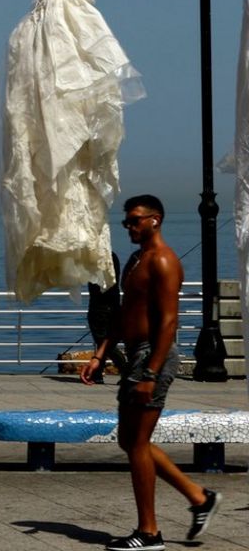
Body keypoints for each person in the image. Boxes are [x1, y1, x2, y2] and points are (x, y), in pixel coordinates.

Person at [81, 195, 222, 551]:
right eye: (126, 221)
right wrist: (101, 353)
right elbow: (124, 312)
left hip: (152, 356)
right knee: (131, 442)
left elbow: (169, 321)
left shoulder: (163, 260)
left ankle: (149, 533)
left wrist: (151, 372)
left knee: (137, 443)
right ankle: (198, 497)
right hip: (134, 354)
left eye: (134, 220)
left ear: (154, 220)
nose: (128, 226)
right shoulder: (135, 259)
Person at [86, 251, 125, 383]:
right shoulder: (113, 257)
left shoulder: (98, 260)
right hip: (113, 305)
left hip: (100, 306)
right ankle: (97, 374)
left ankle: (125, 370)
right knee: (103, 340)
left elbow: (98, 284)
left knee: (103, 341)